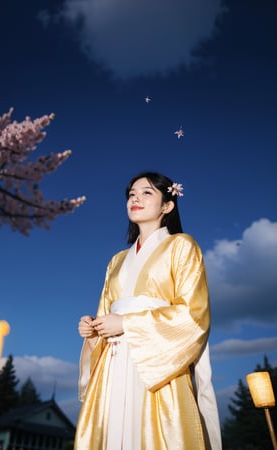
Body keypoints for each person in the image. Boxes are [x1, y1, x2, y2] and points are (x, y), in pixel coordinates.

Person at [75, 171, 222, 450]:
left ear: (167, 205)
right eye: (132, 194)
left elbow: (194, 314)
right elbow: (108, 313)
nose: (135, 199)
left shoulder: (182, 245)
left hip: (157, 363)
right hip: (115, 361)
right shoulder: (117, 261)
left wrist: (129, 324)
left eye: (146, 193)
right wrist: (93, 329)